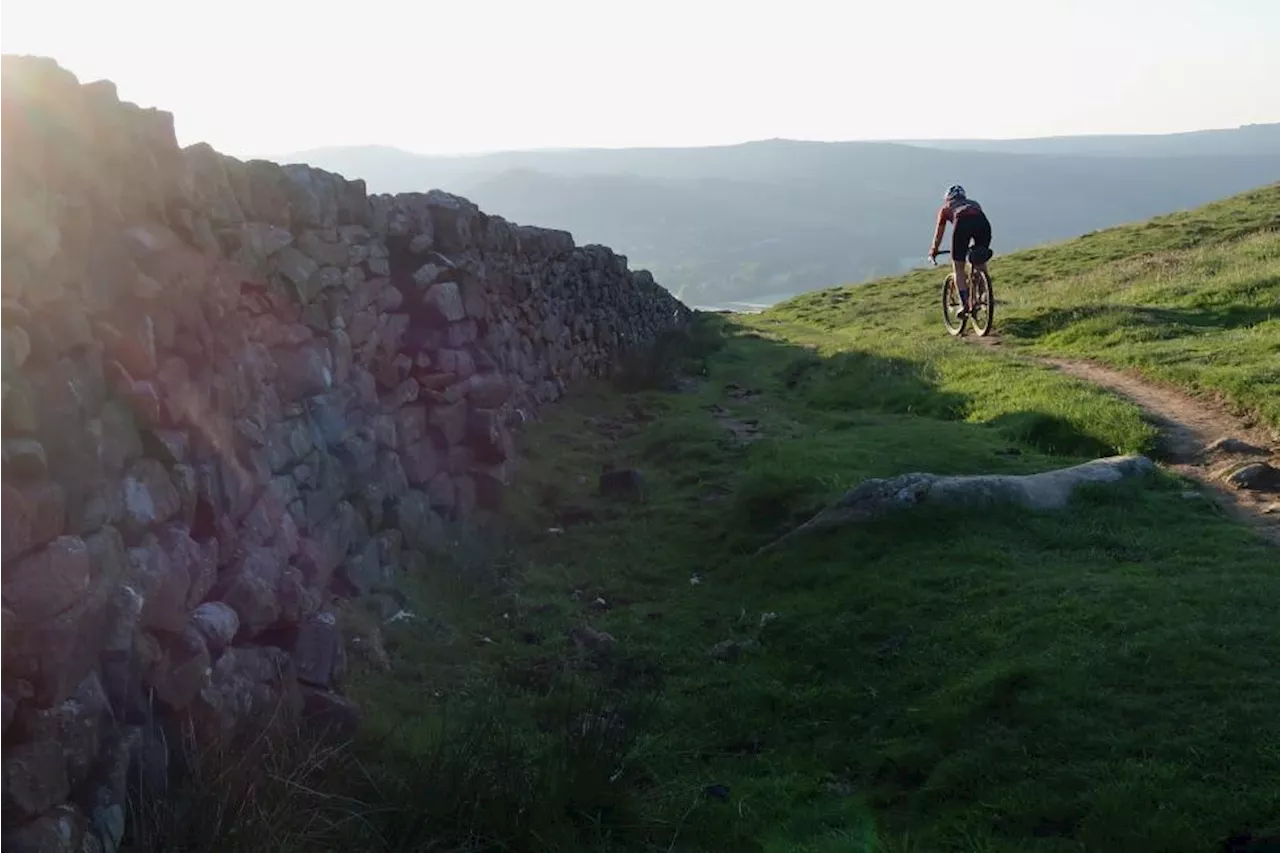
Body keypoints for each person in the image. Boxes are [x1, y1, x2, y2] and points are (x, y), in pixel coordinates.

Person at [928, 185, 993, 315]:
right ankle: (985, 297)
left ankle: (965, 304)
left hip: (962, 224)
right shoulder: (974, 204)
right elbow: (976, 221)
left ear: (947, 198)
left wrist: (934, 250)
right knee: (979, 260)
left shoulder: (946, 209)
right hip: (983, 224)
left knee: (958, 267)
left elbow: (939, 233)